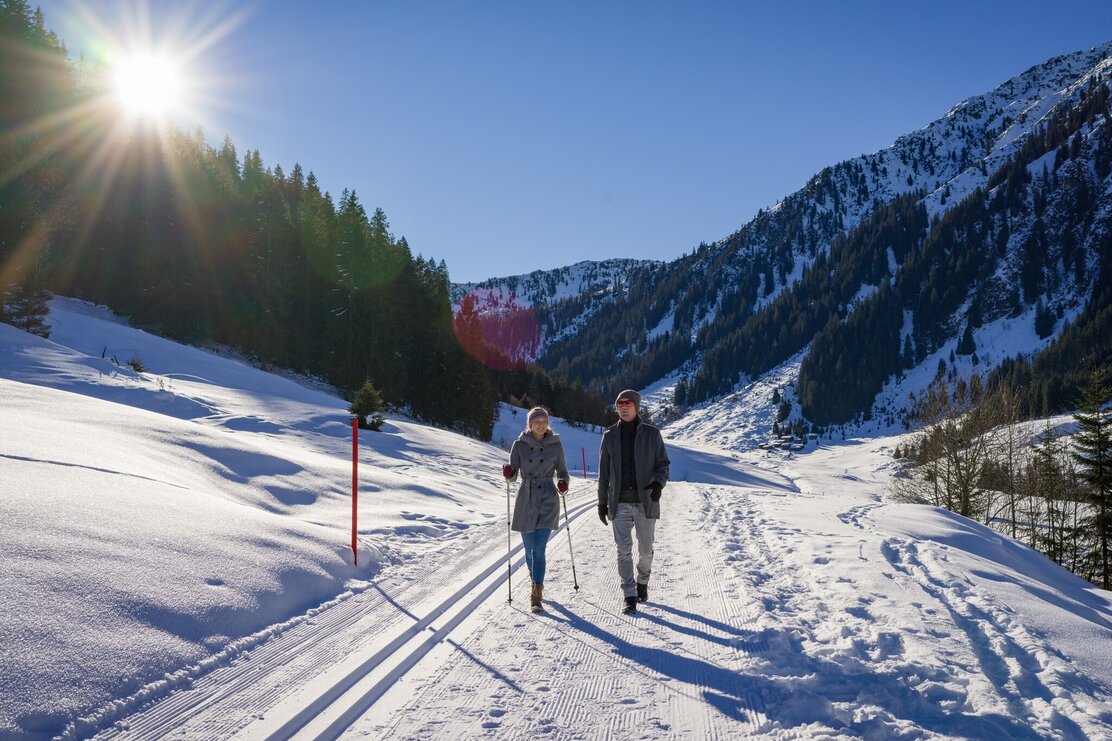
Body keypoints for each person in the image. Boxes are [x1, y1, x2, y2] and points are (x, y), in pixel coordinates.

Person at [597, 389, 670, 614]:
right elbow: (604, 473)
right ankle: (629, 595)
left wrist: (658, 483)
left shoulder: (652, 434)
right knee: (623, 550)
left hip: (645, 502)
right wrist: (602, 502)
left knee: (646, 551)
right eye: (619, 404)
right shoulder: (609, 436)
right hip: (619, 503)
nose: (623, 407)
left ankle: (642, 581)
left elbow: (663, 464)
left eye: (628, 403)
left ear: (636, 406)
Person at [503, 407, 569, 613]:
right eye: (536, 421)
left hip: (548, 498)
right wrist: (509, 472)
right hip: (526, 499)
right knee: (528, 550)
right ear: (529, 424)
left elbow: (563, 472)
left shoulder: (556, 445)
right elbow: (512, 476)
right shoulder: (519, 445)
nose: (541, 424)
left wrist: (563, 482)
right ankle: (535, 579)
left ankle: (536, 594)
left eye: (544, 421)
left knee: (539, 549)